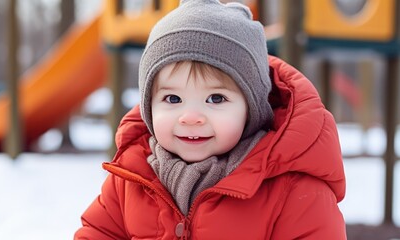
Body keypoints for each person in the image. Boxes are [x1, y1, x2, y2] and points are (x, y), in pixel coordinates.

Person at [75, 0, 347, 239]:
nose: (191, 117)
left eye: (216, 99)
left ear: (251, 109)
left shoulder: (294, 191)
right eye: (172, 99)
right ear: (149, 107)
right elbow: (98, 233)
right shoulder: (132, 178)